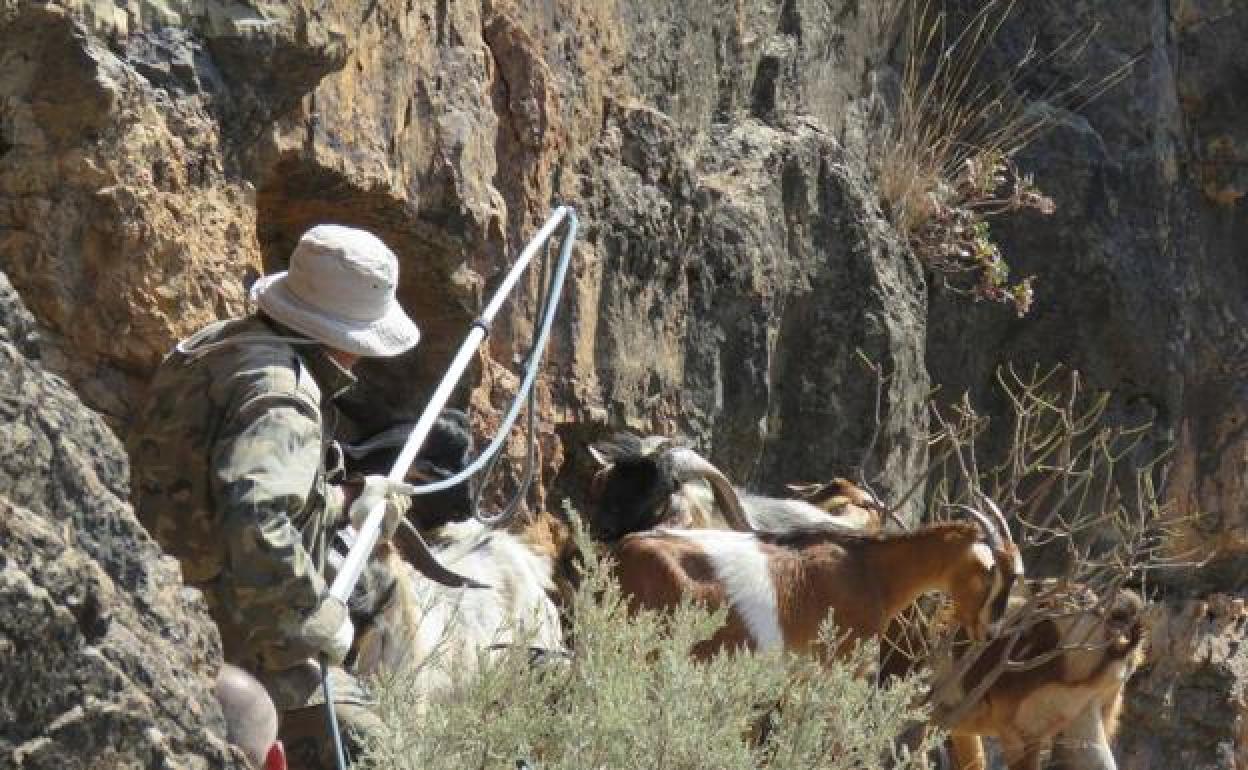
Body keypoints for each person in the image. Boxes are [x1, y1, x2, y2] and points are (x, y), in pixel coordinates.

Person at [129, 224, 419, 768]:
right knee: (378, 752)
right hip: (237, 637)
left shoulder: (217, 345)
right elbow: (257, 513)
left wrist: (343, 502)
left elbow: (213, 481)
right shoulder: (284, 395)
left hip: (160, 604)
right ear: (343, 338)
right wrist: (310, 616)